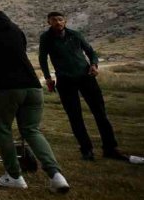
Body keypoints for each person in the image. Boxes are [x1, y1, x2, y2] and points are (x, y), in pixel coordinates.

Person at [0, 0, 69, 193]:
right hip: (32, 85)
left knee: (2, 129)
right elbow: (20, 50)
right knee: (32, 130)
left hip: (4, 87)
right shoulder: (14, 27)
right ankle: (57, 175)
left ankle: (14, 176)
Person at [39, 11, 128, 161]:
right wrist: (48, 78)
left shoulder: (75, 34)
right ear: (49, 22)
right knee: (75, 117)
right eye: (54, 20)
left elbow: (90, 51)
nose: (58, 22)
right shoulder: (46, 38)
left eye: (60, 19)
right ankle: (86, 150)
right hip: (65, 80)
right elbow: (42, 58)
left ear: (65, 21)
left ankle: (110, 148)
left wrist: (94, 64)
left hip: (85, 77)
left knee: (100, 113)